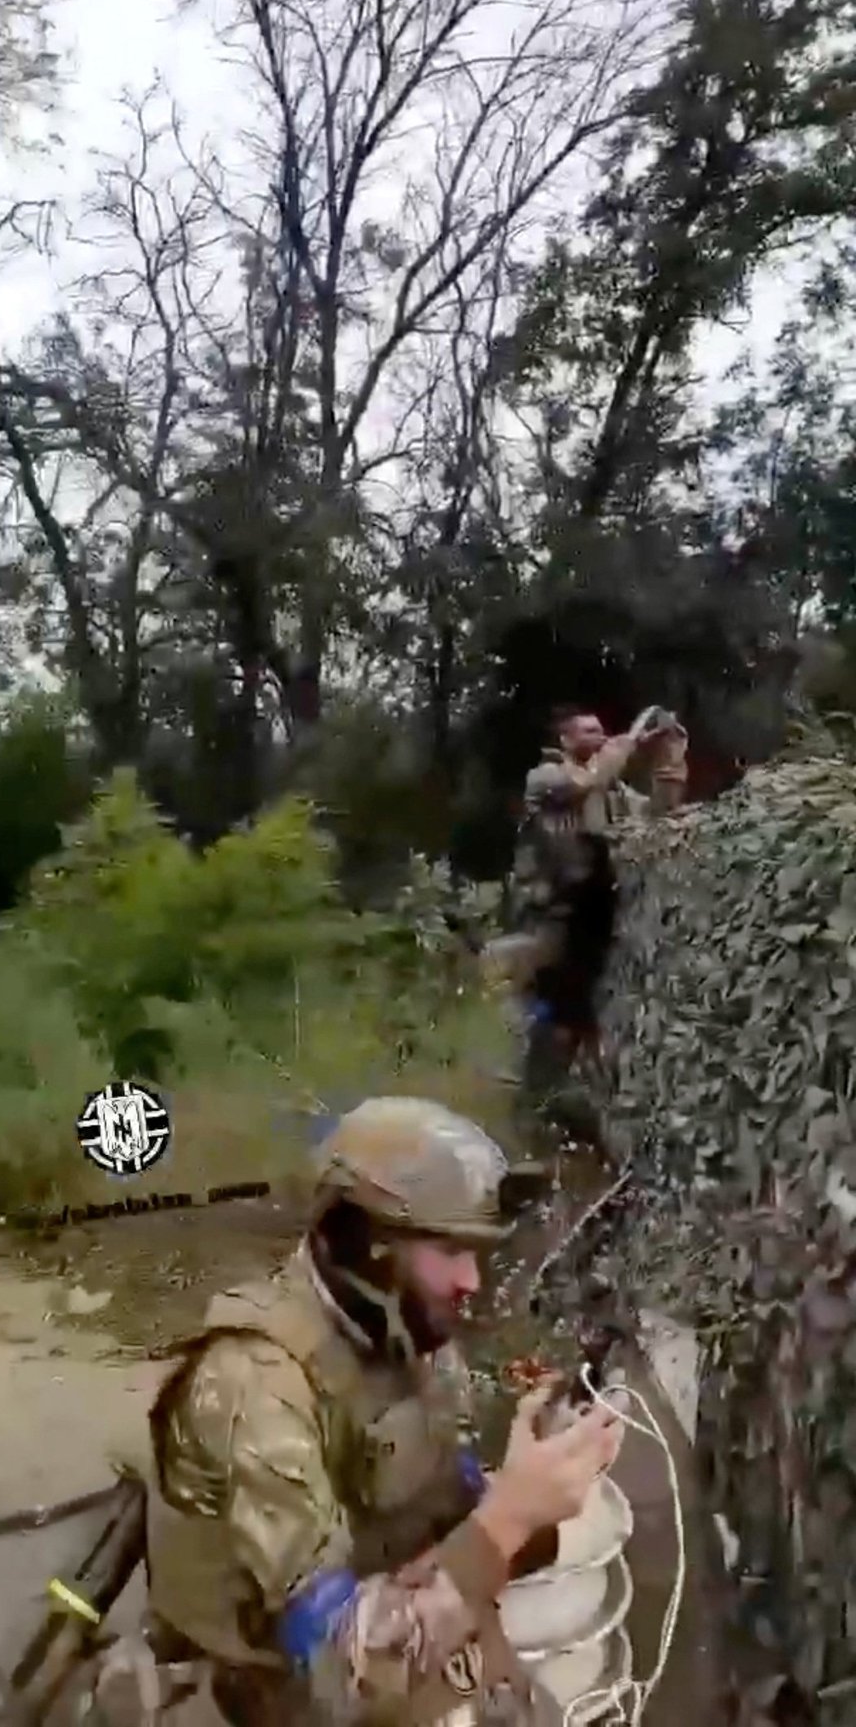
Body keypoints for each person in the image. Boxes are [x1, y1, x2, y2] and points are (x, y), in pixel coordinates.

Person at [124, 1099, 623, 1726]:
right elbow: (344, 1676)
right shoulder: (254, 1383)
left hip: (389, 1621)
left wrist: (537, 1483)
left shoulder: (408, 1336)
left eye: (477, 1250)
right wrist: (510, 1517)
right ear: (367, 1244)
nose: (473, 1279)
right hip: (265, 1690)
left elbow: (440, 1497)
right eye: (448, 1249)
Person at [514, 705, 688, 1096]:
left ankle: (567, 1093)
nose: (599, 736)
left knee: (587, 1008)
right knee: (555, 1008)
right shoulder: (546, 778)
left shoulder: (614, 793)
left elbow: (661, 816)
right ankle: (537, 1093)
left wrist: (670, 760)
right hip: (551, 916)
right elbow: (583, 785)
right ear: (565, 740)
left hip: (595, 913)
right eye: (588, 731)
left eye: (601, 730)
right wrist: (623, 747)